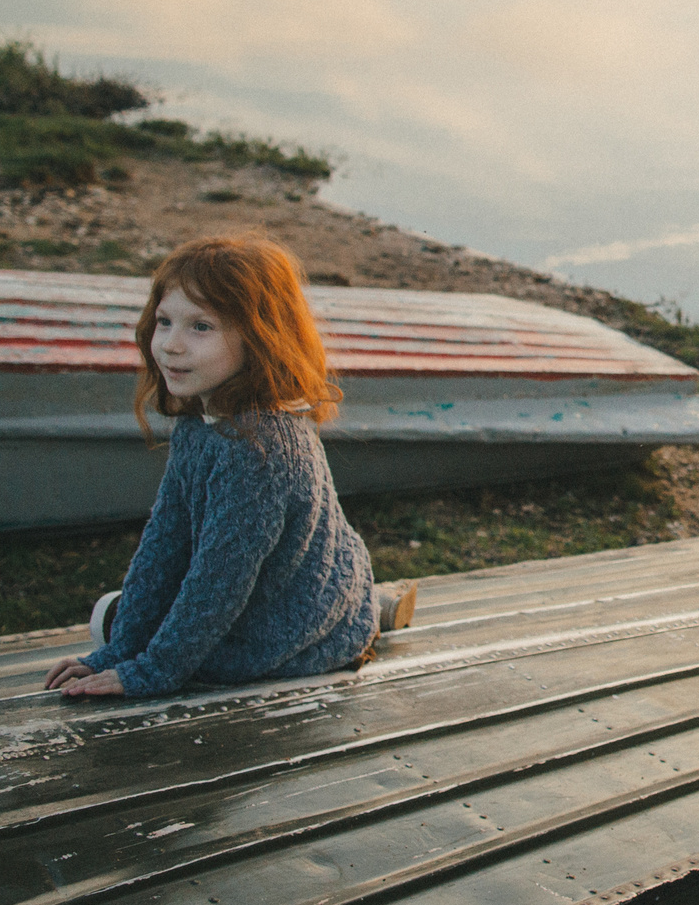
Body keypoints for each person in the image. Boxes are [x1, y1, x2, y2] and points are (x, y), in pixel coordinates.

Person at [42, 237, 417, 702]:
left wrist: (150, 671)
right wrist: (117, 651)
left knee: (135, 624)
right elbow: (165, 540)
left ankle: (359, 613)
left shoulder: (259, 449)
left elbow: (220, 581)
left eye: (201, 327)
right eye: (164, 321)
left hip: (282, 618)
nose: (171, 345)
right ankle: (370, 603)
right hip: (274, 584)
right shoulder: (202, 423)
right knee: (117, 619)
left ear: (260, 337)